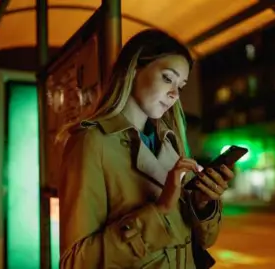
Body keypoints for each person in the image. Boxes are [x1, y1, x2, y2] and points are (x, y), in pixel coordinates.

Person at [58, 29, 235, 269]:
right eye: (167, 78)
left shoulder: (172, 144)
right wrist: (160, 211)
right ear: (134, 69)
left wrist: (202, 204)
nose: (174, 94)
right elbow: (75, 263)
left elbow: (205, 240)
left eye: (180, 86)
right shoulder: (92, 142)